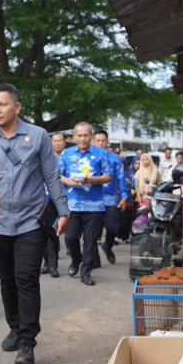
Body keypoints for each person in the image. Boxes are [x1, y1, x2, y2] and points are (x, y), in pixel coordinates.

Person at [0, 84, 69, 364]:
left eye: (3, 104)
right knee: (6, 280)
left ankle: (27, 342)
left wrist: (63, 211)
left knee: (27, 280)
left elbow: (52, 176)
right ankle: (14, 327)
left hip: (31, 222)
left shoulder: (38, 136)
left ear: (17, 107)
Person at [59, 122, 113, 286]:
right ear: (74, 137)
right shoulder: (66, 154)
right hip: (72, 205)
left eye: (86, 135)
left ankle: (86, 272)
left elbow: (108, 176)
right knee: (70, 238)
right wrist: (68, 181)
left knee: (90, 241)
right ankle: (76, 260)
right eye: (79, 135)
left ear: (91, 136)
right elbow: (57, 175)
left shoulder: (101, 154)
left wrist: (90, 180)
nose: (82, 138)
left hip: (94, 206)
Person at [92, 129, 129, 265]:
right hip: (92, 199)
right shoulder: (87, 158)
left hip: (110, 199)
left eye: (103, 141)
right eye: (98, 141)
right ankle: (94, 259)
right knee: (92, 232)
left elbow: (120, 178)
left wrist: (124, 196)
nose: (101, 143)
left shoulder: (114, 158)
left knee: (112, 228)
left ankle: (107, 246)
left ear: (107, 142)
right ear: (93, 142)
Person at [41, 132, 67, 277]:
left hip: (57, 199)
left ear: (64, 142)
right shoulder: (45, 156)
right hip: (42, 199)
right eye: (55, 141)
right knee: (43, 234)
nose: (57, 143)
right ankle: (46, 263)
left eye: (60, 141)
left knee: (53, 234)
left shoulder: (67, 158)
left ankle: (53, 265)